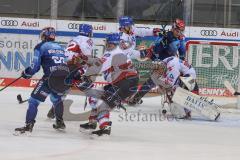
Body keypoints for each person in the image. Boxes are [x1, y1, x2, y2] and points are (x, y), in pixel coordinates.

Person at [77, 33, 139, 136]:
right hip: (122, 82)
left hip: (125, 83)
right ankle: (92, 123)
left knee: (102, 104)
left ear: (111, 43)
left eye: (108, 43)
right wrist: (86, 59)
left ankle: (105, 128)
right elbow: (99, 62)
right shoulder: (115, 51)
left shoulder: (112, 53)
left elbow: (98, 66)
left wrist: (83, 74)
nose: (106, 44)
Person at [15, 27, 67, 134]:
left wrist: (26, 73)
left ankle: (28, 125)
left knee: (33, 101)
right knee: (57, 99)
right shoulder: (61, 47)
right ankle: (60, 122)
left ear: (44, 35)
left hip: (50, 78)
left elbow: (35, 67)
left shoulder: (40, 46)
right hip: (63, 78)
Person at [46, 24, 100, 119]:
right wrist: (85, 71)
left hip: (64, 66)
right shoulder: (87, 40)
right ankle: (95, 111)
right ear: (88, 32)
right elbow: (87, 58)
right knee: (88, 86)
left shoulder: (74, 39)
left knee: (66, 87)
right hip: (73, 66)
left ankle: (54, 109)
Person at [127, 18, 187, 105]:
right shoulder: (164, 36)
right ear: (173, 28)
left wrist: (182, 63)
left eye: (181, 31)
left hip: (171, 61)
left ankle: (181, 98)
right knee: (153, 81)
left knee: (176, 79)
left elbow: (182, 52)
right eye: (178, 30)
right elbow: (155, 50)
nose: (179, 33)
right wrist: (164, 42)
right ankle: (135, 99)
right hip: (158, 60)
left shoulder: (181, 38)